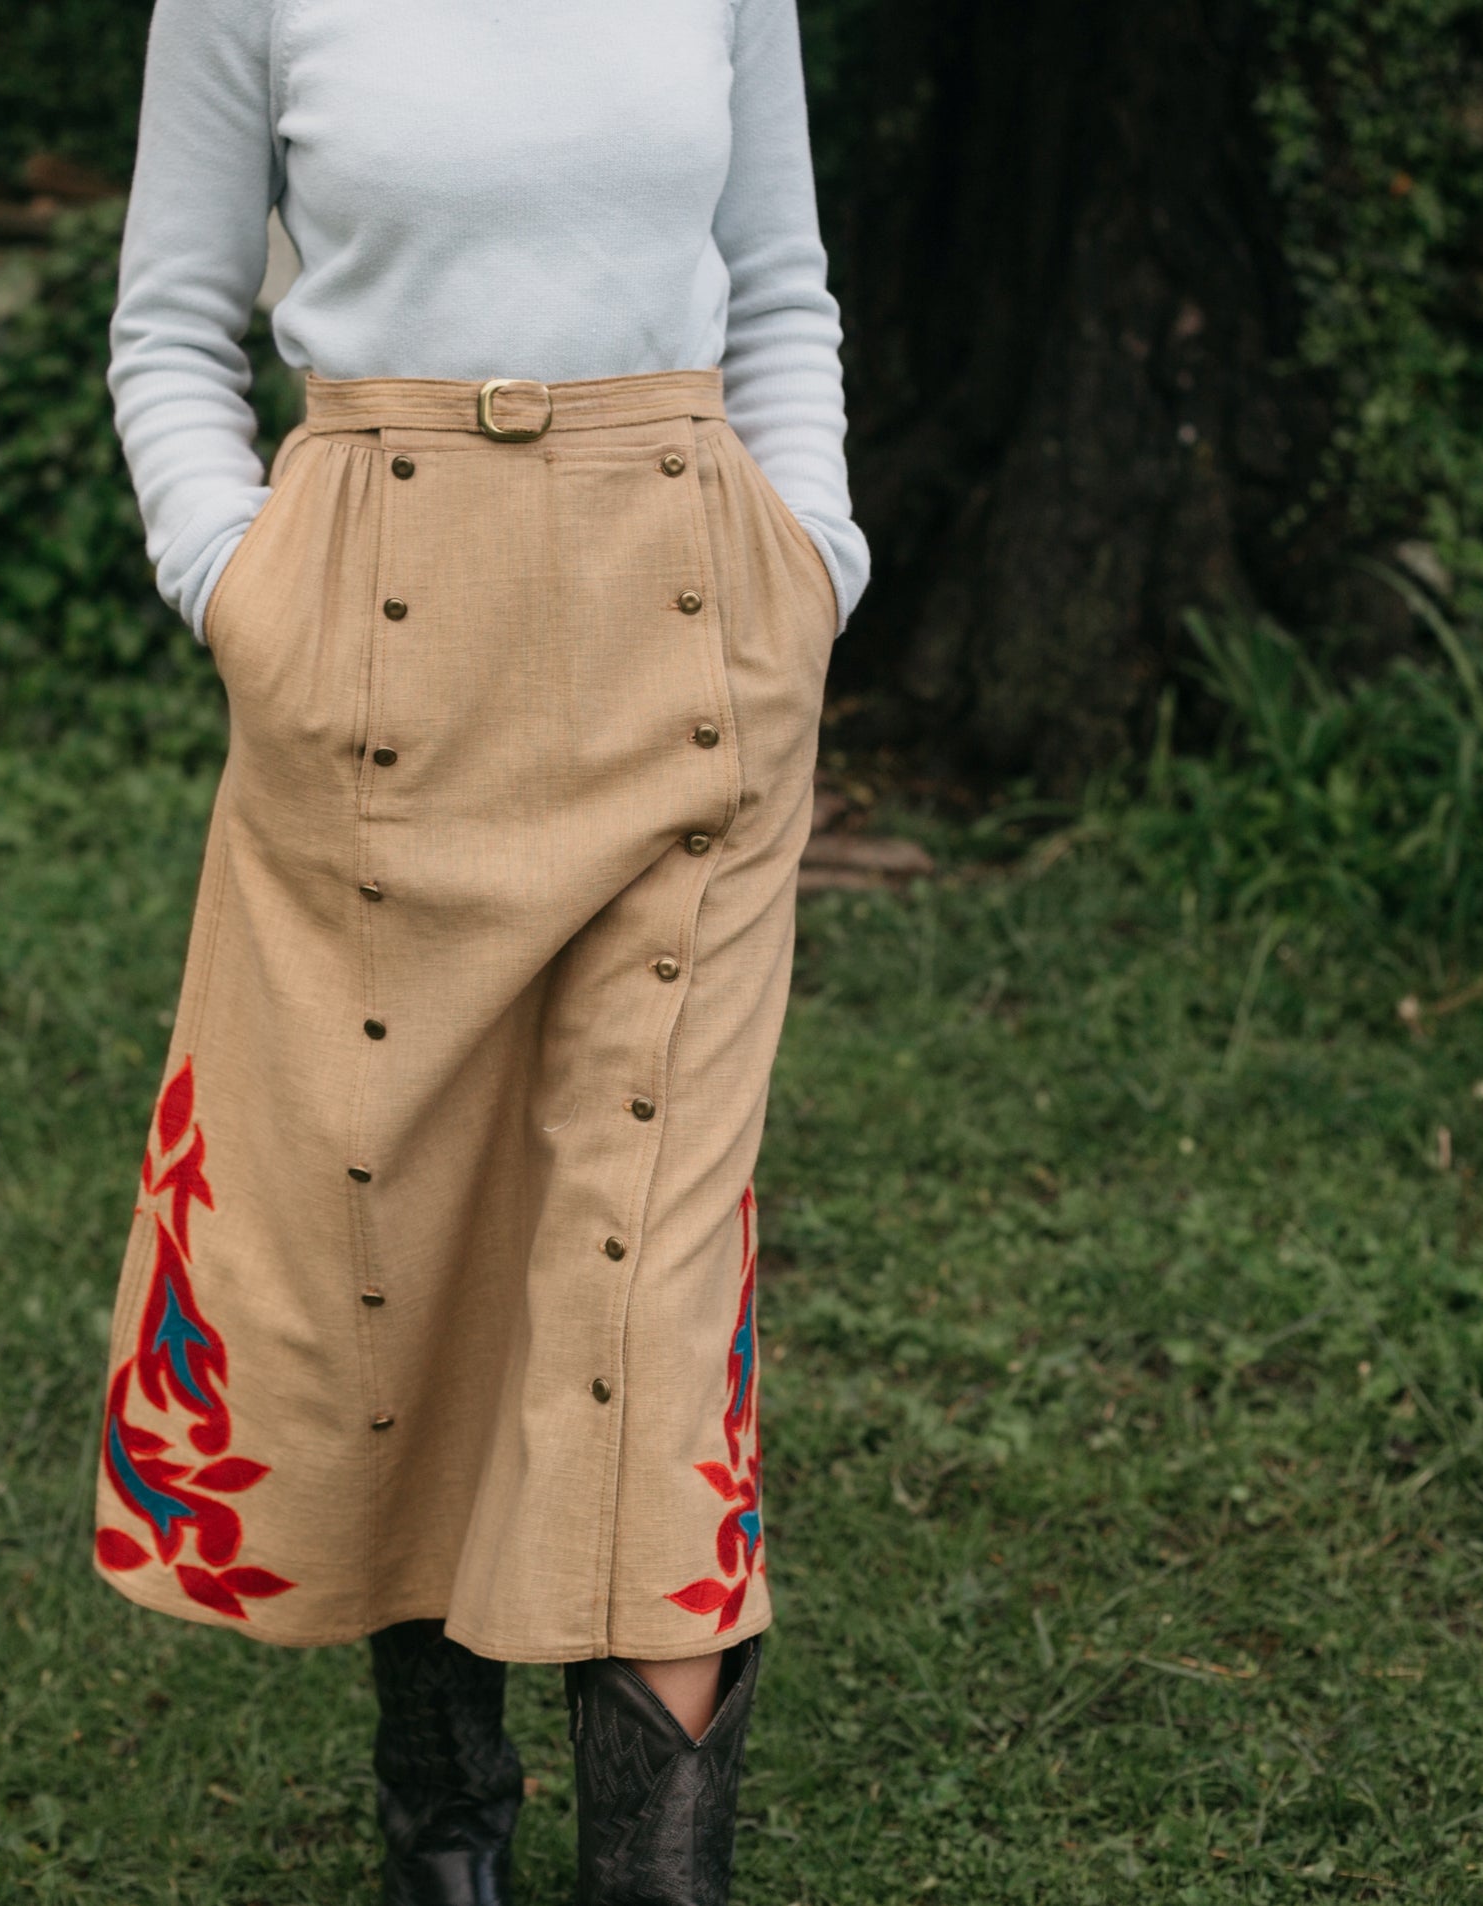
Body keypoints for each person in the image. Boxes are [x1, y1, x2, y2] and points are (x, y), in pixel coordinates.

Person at [94, 2, 869, 1900]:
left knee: (651, 1289)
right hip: (370, 652)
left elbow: (780, 284)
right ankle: (444, 1837)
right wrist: (236, 581)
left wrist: (816, 561)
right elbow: (169, 319)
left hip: (687, 648)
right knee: (395, 1252)